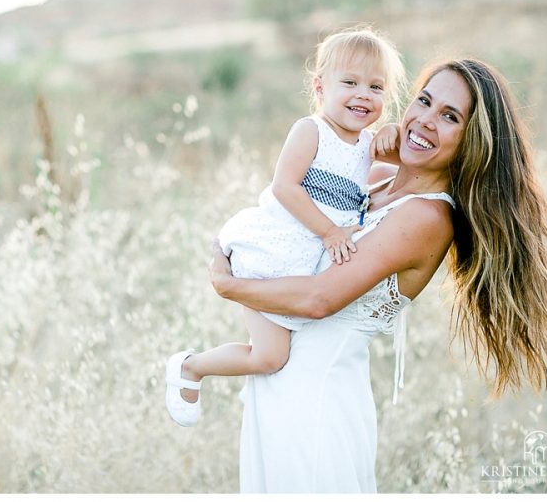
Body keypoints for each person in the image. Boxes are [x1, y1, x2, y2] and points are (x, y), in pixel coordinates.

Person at [207, 58, 547, 492]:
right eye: (424, 101)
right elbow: (296, 209)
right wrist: (389, 143)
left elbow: (319, 300)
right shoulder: (376, 179)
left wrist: (229, 286)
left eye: (450, 116)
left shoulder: (427, 217)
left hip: (318, 401)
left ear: (472, 141)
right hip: (276, 385)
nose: (426, 120)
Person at [165, 26, 406, 427]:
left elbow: (412, 162)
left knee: (287, 356)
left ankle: (257, 393)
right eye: (350, 83)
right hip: (271, 254)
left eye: (376, 87)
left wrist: (394, 133)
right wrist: (330, 232)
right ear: (320, 87)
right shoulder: (311, 131)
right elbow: (284, 187)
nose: (363, 94)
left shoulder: (368, 145)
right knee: (270, 357)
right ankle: (190, 367)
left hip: (302, 266)